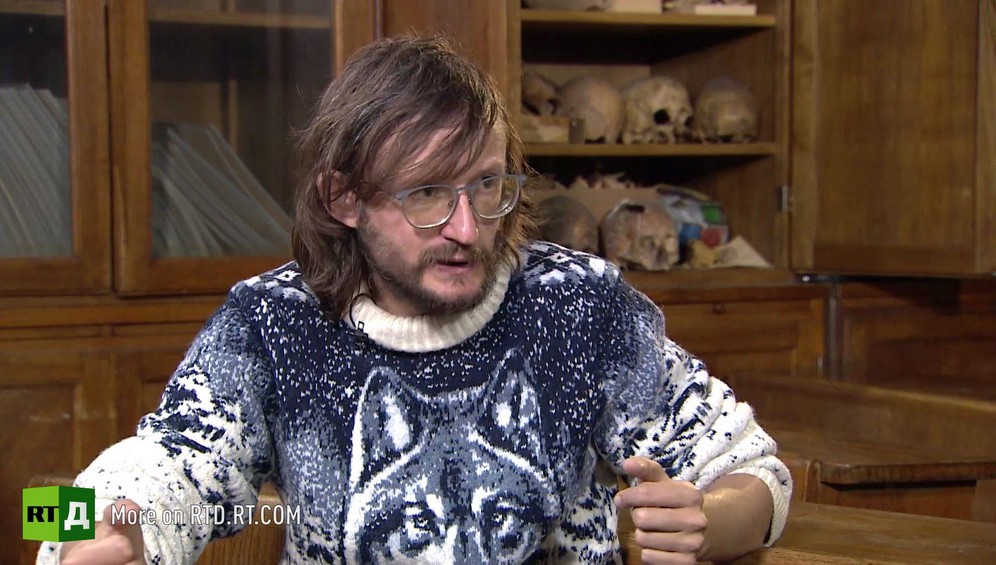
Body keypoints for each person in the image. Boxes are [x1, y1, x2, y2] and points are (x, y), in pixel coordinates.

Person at [42, 34, 791, 565]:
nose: (467, 228)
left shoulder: (580, 307)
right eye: (427, 193)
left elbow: (757, 473)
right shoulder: (272, 322)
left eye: (487, 186)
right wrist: (80, 530)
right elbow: (156, 466)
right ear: (343, 198)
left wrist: (707, 519)